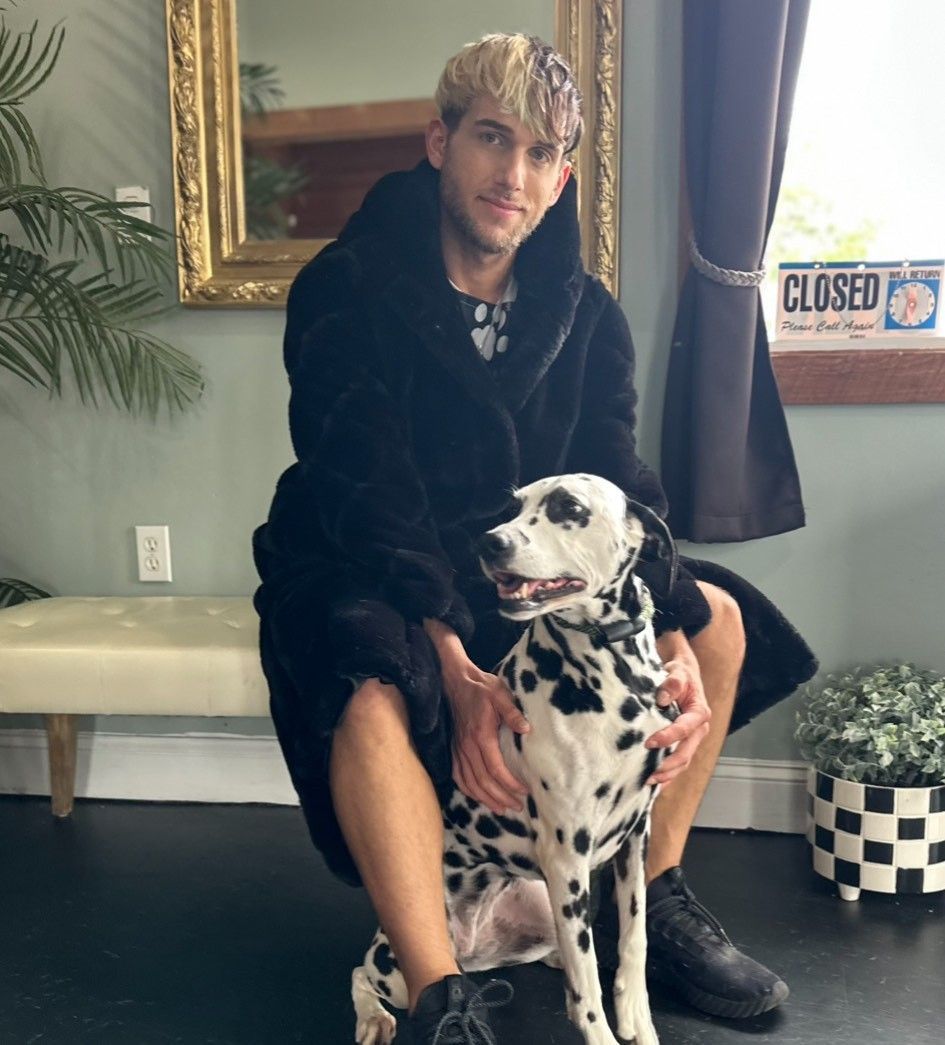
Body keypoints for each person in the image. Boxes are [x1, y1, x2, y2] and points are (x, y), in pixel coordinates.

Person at [252, 33, 816, 1043]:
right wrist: (457, 667)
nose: (513, 174)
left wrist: (673, 640)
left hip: (521, 562)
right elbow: (365, 489)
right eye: (492, 138)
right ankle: (438, 992)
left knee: (721, 620)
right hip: (358, 551)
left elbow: (620, 482)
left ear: (561, 180)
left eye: (541, 153)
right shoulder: (346, 286)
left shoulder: (585, 312)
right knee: (373, 675)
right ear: (440, 142)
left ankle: (653, 893)